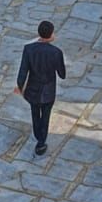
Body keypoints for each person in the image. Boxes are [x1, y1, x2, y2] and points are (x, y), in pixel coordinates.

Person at [16, 20, 67, 157]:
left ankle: (38, 135)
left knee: (35, 113)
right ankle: (41, 141)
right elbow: (62, 74)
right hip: (48, 92)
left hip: (32, 90)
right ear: (51, 34)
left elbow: (22, 71)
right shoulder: (56, 52)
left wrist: (21, 87)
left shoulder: (28, 49)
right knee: (45, 116)